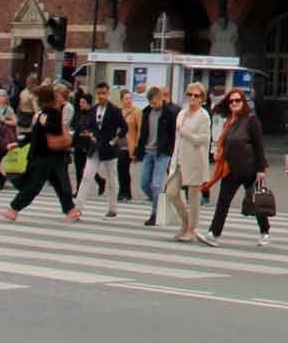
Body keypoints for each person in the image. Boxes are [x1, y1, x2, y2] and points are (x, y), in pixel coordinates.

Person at [201, 87, 271, 248]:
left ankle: (265, 231)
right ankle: (214, 233)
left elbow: (259, 146)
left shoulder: (251, 120)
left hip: (249, 169)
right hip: (230, 169)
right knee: (223, 202)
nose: (234, 103)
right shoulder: (229, 121)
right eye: (231, 101)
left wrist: (261, 169)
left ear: (243, 102)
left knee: (256, 201)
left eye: (237, 100)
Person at [2, 82, 79, 222]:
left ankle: (13, 210)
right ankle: (71, 210)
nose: (35, 100)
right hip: (46, 157)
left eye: (38, 98)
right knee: (59, 184)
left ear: (44, 100)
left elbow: (55, 131)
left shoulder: (53, 113)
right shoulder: (43, 113)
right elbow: (34, 135)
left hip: (46, 157)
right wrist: (19, 144)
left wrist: (45, 124)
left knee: (33, 184)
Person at [71, 84, 127, 218]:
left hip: (109, 148)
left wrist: (115, 140)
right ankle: (78, 208)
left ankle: (113, 208)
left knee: (112, 179)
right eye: (99, 93)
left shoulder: (114, 110)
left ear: (108, 94)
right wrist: (90, 133)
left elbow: (124, 127)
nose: (101, 96)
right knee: (86, 176)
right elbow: (90, 126)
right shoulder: (93, 109)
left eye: (104, 93)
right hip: (95, 147)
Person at [165, 83, 212, 241]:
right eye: (189, 94)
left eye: (196, 95)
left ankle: (192, 229)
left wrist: (184, 132)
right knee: (171, 192)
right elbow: (177, 139)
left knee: (193, 197)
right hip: (178, 158)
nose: (192, 97)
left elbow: (203, 139)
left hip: (195, 159)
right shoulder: (182, 113)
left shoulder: (203, 115)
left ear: (202, 99)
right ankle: (185, 223)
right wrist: (173, 157)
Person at [133, 84, 176, 226]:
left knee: (156, 184)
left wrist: (171, 151)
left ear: (161, 99)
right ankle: (161, 204)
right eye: (150, 103)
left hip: (162, 152)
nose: (153, 106)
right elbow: (143, 134)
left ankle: (155, 212)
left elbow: (173, 134)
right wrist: (138, 151)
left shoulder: (169, 113)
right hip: (148, 151)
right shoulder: (146, 112)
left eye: (155, 103)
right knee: (144, 183)